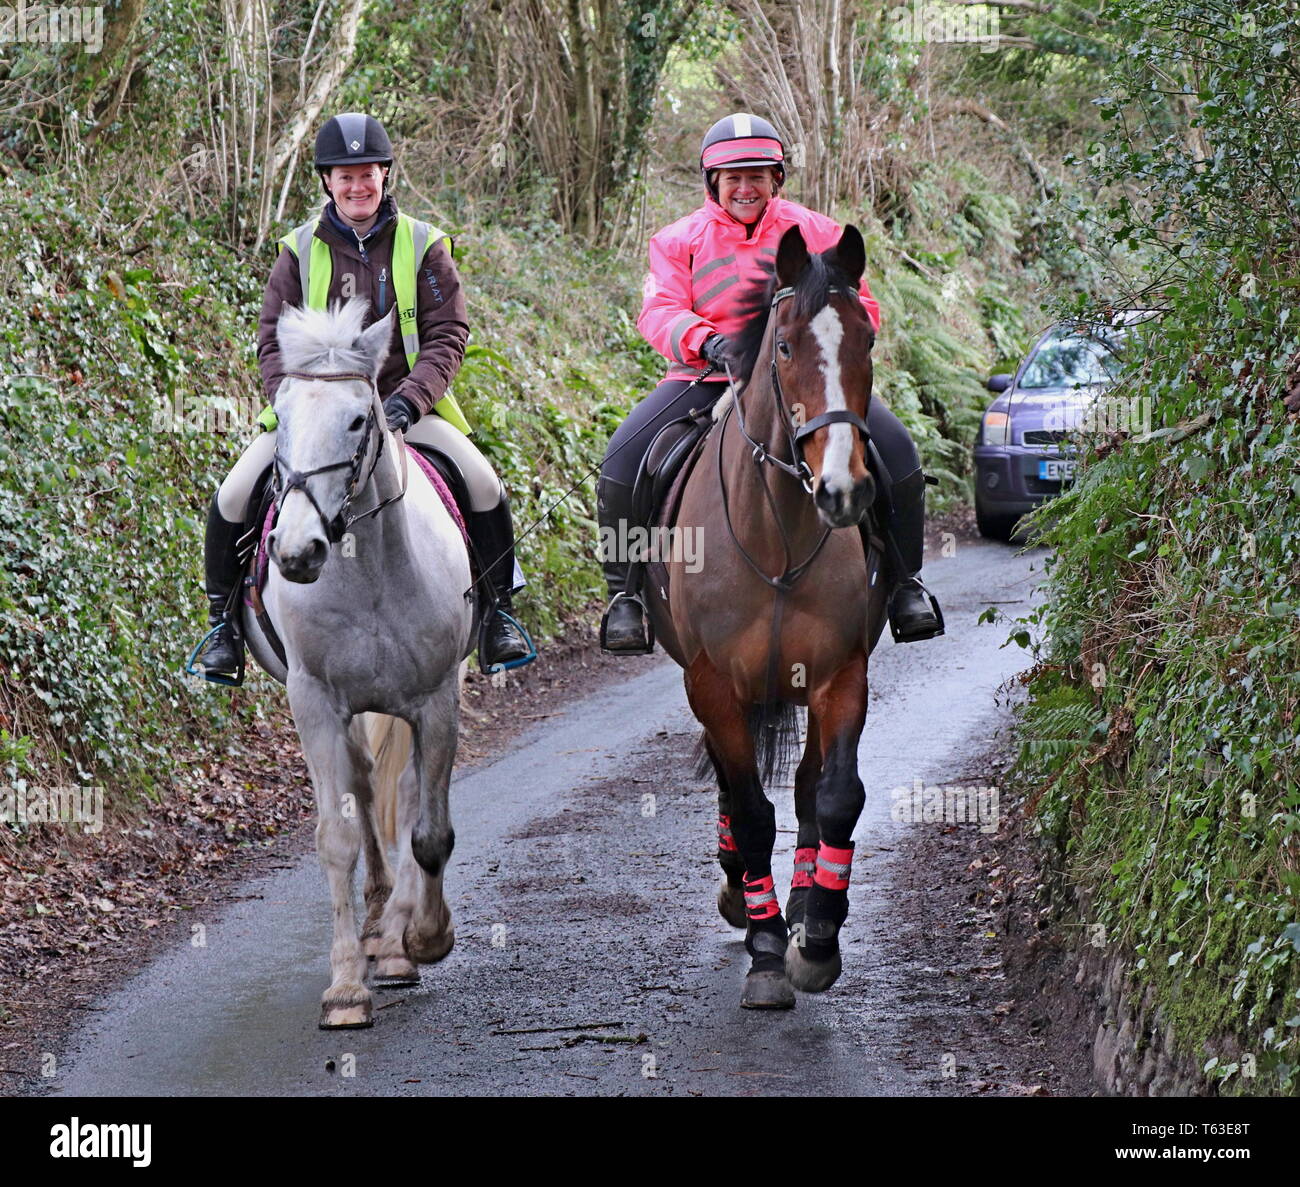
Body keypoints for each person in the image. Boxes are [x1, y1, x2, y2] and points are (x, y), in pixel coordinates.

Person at [192, 112, 533, 681]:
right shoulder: (298, 251)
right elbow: (271, 341)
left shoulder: (424, 245)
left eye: (367, 174)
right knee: (233, 494)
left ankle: (498, 614)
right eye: (344, 175)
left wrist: (410, 400)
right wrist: (296, 408)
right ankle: (222, 627)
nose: (357, 186)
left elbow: (449, 333)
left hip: (404, 410)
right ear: (326, 181)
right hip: (317, 417)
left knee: (483, 483)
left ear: (385, 175)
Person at [598, 112, 943, 652]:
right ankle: (627, 597)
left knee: (898, 451)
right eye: (732, 177)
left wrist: (827, 345)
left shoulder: (820, 233)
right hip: (707, 377)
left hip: (807, 381)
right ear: (713, 182)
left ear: (776, 178)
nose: (744, 187)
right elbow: (659, 309)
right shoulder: (676, 241)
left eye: (757, 175)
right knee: (622, 459)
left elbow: (861, 307)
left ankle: (905, 585)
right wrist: (707, 342)